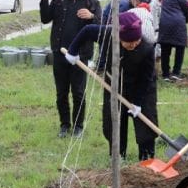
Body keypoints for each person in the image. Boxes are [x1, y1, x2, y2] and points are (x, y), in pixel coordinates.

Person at [64, 12, 158, 160]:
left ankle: (147, 157)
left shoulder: (146, 49)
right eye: (128, 42)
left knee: (146, 122)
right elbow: (87, 30)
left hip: (141, 86)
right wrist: (73, 51)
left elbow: (145, 79)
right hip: (114, 84)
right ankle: (117, 156)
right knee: (114, 120)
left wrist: (138, 102)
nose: (133, 44)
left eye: (136, 41)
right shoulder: (108, 34)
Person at [40, 0, 101, 138]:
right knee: (61, 93)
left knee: (79, 93)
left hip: (80, 56)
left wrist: (92, 17)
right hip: (60, 53)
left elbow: (102, 28)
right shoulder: (59, 0)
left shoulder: (93, 4)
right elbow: (45, 18)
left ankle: (78, 126)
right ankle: (64, 125)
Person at [157, 0, 188, 81]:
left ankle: (165, 74)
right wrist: (185, 20)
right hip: (177, 23)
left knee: (165, 50)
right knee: (180, 48)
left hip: (164, 23)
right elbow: (186, 9)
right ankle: (176, 73)